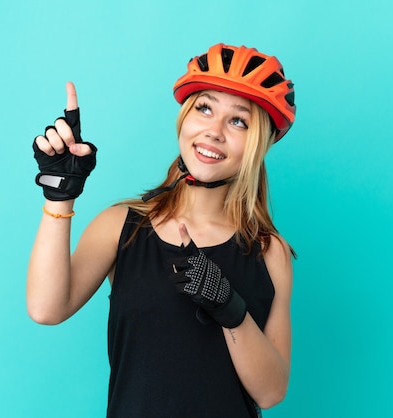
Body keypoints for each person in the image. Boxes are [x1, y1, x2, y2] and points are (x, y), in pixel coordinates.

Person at [27, 43, 297, 418]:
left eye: (239, 121)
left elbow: (270, 393)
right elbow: (46, 309)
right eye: (204, 108)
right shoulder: (122, 226)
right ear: (185, 118)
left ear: (259, 144)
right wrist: (59, 196)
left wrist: (230, 308)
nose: (213, 131)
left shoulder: (269, 252)